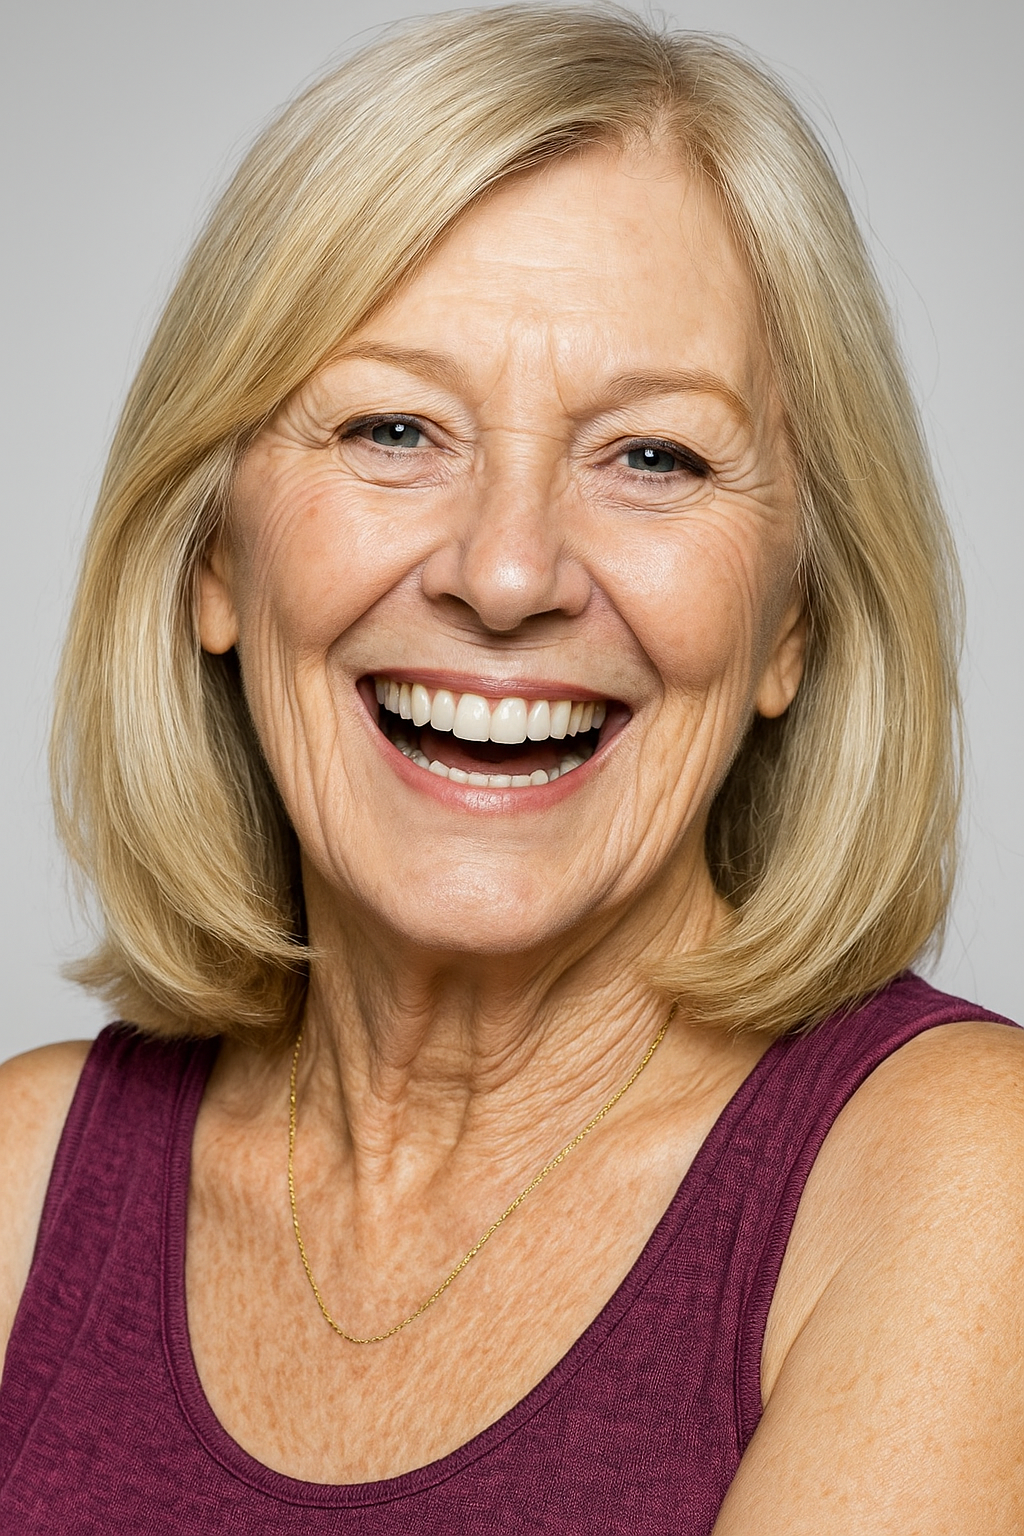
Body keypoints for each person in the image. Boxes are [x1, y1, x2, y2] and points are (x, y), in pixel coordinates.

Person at [0, 5, 1021, 1530]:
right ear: (214, 558)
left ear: (792, 620)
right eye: (394, 427)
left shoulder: (960, 1185)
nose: (506, 569)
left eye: (654, 456)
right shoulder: (23, 1187)